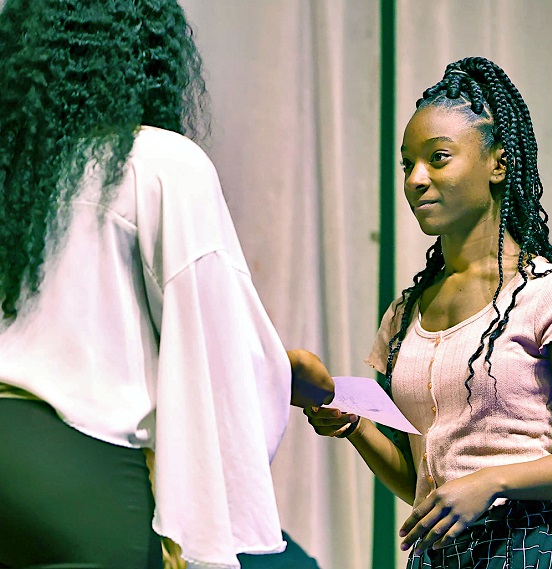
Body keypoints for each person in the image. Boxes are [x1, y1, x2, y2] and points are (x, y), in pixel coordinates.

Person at [0, 1, 334, 568]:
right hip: (82, 473)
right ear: (149, 51)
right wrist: (286, 372)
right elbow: (217, 356)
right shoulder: (157, 161)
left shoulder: (16, 174)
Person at [306, 56, 552, 568]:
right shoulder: (405, 313)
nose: (416, 179)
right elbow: (423, 485)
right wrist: (355, 425)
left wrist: (491, 480)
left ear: (498, 163)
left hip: (525, 544)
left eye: (439, 158)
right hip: (436, 555)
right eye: (408, 164)